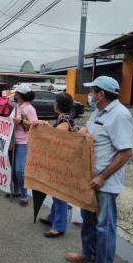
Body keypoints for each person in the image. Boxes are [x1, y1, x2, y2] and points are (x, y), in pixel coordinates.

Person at [65, 76, 133, 263]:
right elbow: (91, 133)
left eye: (93, 91)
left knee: (105, 226)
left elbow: (125, 152)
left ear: (101, 94)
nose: (90, 95)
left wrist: (102, 176)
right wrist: (82, 132)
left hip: (105, 182)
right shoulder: (98, 112)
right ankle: (89, 253)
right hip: (90, 179)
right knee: (88, 219)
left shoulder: (120, 115)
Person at [38, 93, 77, 238]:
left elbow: (55, 137)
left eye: (55, 102)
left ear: (59, 105)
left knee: (59, 194)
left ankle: (59, 226)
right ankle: (53, 217)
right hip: (60, 161)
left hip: (62, 163)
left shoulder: (65, 120)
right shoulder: (64, 117)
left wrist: (43, 128)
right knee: (55, 191)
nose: (53, 104)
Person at [10, 83, 38, 207]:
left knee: (20, 171)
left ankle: (24, 194)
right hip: (13, 143)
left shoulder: (29, 109)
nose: (14, 94)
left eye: (16, 93)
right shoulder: (16, 107)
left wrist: (21, 121)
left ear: (20, 95)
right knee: (13, 169)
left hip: (24, 143)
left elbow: (35, 125)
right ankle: (16, 190)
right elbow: (7, 120)